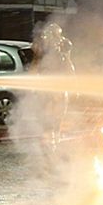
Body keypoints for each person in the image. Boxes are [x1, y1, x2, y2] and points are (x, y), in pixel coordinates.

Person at [31, 21, 75, 150]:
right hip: (45, 85)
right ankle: (47, 139)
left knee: (59, 114)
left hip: (59, 85)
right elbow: (35, 65)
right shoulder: (41, 49)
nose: (53, 39)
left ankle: (56, 138)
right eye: (51, 35)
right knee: (45, 113)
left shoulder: (64, 46)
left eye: (55, 35)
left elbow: (69, 66)